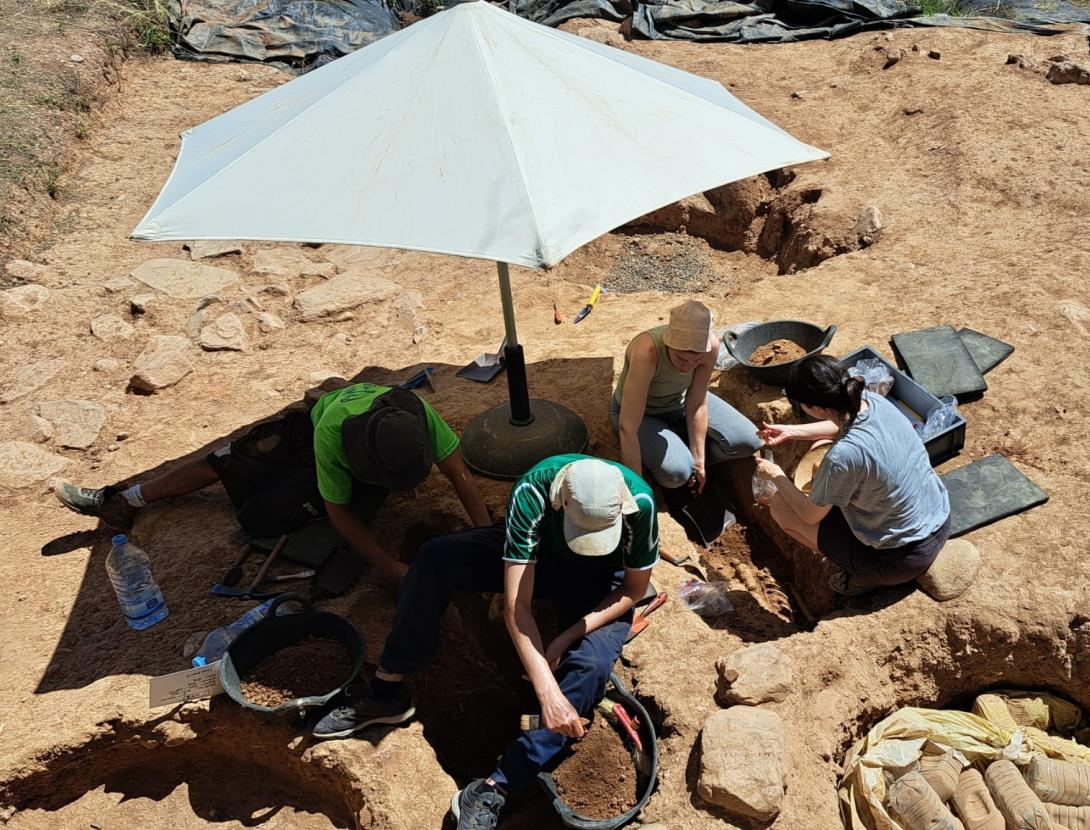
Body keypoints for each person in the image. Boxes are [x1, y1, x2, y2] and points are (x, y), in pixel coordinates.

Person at [310, 454, 658, 830]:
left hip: (599, 581)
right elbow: (516, 606)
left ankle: (498, 785)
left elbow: (633, 589)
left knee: (591, 665)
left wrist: (566, 637)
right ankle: (387, 690)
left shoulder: (640, 504)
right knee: (436, 557)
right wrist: (546, 691)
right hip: (539, 557)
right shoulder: (534, 491)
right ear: (561, 501)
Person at [53, 383, 490, 579]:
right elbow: (339, 513)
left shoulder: (414, 413)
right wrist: (392, 568)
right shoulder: (333, 436)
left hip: (361, 429)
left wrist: (486, 540)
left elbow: (460, 476)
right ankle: (128, 499)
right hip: (306, 433)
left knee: (272, 510)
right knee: (234, 475)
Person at [755, 354, 951, 596]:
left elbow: (808, 515)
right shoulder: (872, 401)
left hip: (899, 561)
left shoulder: (843, 457)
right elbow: (841, 423)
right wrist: (791, 431)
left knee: (780, 506)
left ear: (814, 407)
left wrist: (775, 474)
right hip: (940, 519)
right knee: (821, 446)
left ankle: (863, 575)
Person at [613, 300, 761, 494]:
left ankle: (685, 457)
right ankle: (674, 464)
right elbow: (628, 427)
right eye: (681, 358)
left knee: (750, 441)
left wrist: (699, 460)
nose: (687, 367)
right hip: (645, 415)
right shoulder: (647, 352)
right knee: (677, 474)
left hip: (680, 403)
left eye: (696, 360)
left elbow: (697, 402)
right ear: (668, 344)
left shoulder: (711, 347)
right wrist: (637, 488)